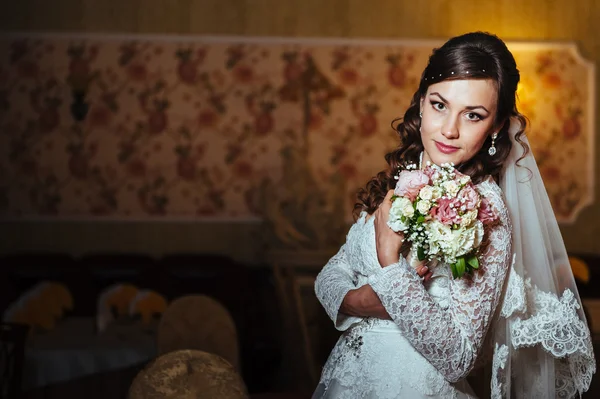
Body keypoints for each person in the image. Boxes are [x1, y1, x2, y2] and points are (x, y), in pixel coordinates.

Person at [312, 32, 595, 398]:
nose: (449, 129)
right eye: (439, 105)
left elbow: (459, 358)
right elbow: (330, 274)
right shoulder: (402, 179)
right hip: (347, 379)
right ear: (421, 103)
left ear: (495, 127)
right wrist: (356, 301)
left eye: (472, 115)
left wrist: (389, 267)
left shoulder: (486, 211)